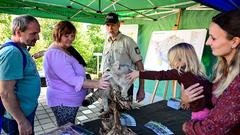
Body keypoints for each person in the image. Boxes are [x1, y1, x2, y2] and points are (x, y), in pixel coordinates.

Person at [182, 10, 240, 134]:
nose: (207, 42)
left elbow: (210, 130)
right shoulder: (224, 68)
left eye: (213, 38)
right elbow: (217, 105)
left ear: (234, 42)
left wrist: (186, 126)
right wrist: (190, 99)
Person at [43, 21, 110, 127]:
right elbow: (73, 79)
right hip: (63, 102)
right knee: (67, 129)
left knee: (69, 127)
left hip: (69, 101)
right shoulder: (55, 54)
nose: (70, 38)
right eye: (66, 35)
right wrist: (98, 84)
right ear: (58, 35)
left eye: (72, 35)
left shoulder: (63, 49)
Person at [127, 42, 213, 120]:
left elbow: (160, 75)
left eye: (172, 60)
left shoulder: (180, 72)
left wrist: (140, 74)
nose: (170, 63)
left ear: (180, 60)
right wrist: (188, 102)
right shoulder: (198, 73)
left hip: (200, 112)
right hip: (209, 108)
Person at [0, 15, 41, 134]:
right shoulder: (12, 53)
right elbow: (5, 93)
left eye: (38, 33)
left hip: (25, 111)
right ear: (18, 32)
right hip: (16, 118)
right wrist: (22, 121)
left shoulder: (21, 48)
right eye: (33, 33)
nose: (37, 37)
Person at [101, 12, 145, 103]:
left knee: (125, 115)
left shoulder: (128, 41)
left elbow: (140, 65)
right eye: (108, 25)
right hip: (109, 86)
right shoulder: (107, 42)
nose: (110, 28)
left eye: (113, 25)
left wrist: (141, 89)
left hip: (124, 87)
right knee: (109, 114)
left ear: (118, 25)